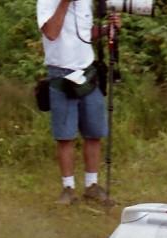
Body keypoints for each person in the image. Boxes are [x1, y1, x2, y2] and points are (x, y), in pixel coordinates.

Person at [36, 0, 119, 206]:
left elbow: (85, 34)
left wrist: (108, 29)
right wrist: (64, 2)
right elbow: (51, 32)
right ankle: (68, 188)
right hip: (60, 72)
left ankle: (92, 185)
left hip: (87, 71)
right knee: (65, 135)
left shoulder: (86, 2)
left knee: (94, 132)